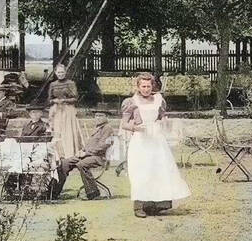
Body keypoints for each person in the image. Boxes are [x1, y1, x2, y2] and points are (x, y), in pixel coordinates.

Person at [120, 72, 190, 217]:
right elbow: (124, 124)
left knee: (159, 170)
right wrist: (136, 128)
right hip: (141, 140)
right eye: (143, 86)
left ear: (152, 86)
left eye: (148, 86)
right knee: (141, 172)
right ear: (138, 87)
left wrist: (163, 120)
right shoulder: (131, 102)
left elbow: (162, 115)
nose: (146, 89)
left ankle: (157, 204)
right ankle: (138, 207)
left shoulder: (158, 99)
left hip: (157, 139)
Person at [53, 112, 115, 199]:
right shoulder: (97, 128)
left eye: (100, 116)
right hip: (89, 155)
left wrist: (86, 153)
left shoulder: (107, 129)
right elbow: (90, 145)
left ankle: (93, 193)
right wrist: (81, 151)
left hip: (99, 158)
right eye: (96, 116)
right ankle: (54, 192)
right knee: (64, 163)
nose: (97, 118)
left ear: (107, 117)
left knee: (82, 164)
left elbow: (103, 146)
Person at [47, 62, 83, 159]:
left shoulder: (71, 83)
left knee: (68, 131)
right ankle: (59, 154)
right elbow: (49, 99)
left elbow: (75, 98)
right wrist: (54, 101)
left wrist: (64, 100)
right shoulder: (53, 84)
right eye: (58, 72)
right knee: (57, 131)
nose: (60, 74)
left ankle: (69, 153)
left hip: (68, 110)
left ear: (65, 72)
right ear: (55, 73)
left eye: (62, 72)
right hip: (56, 111)